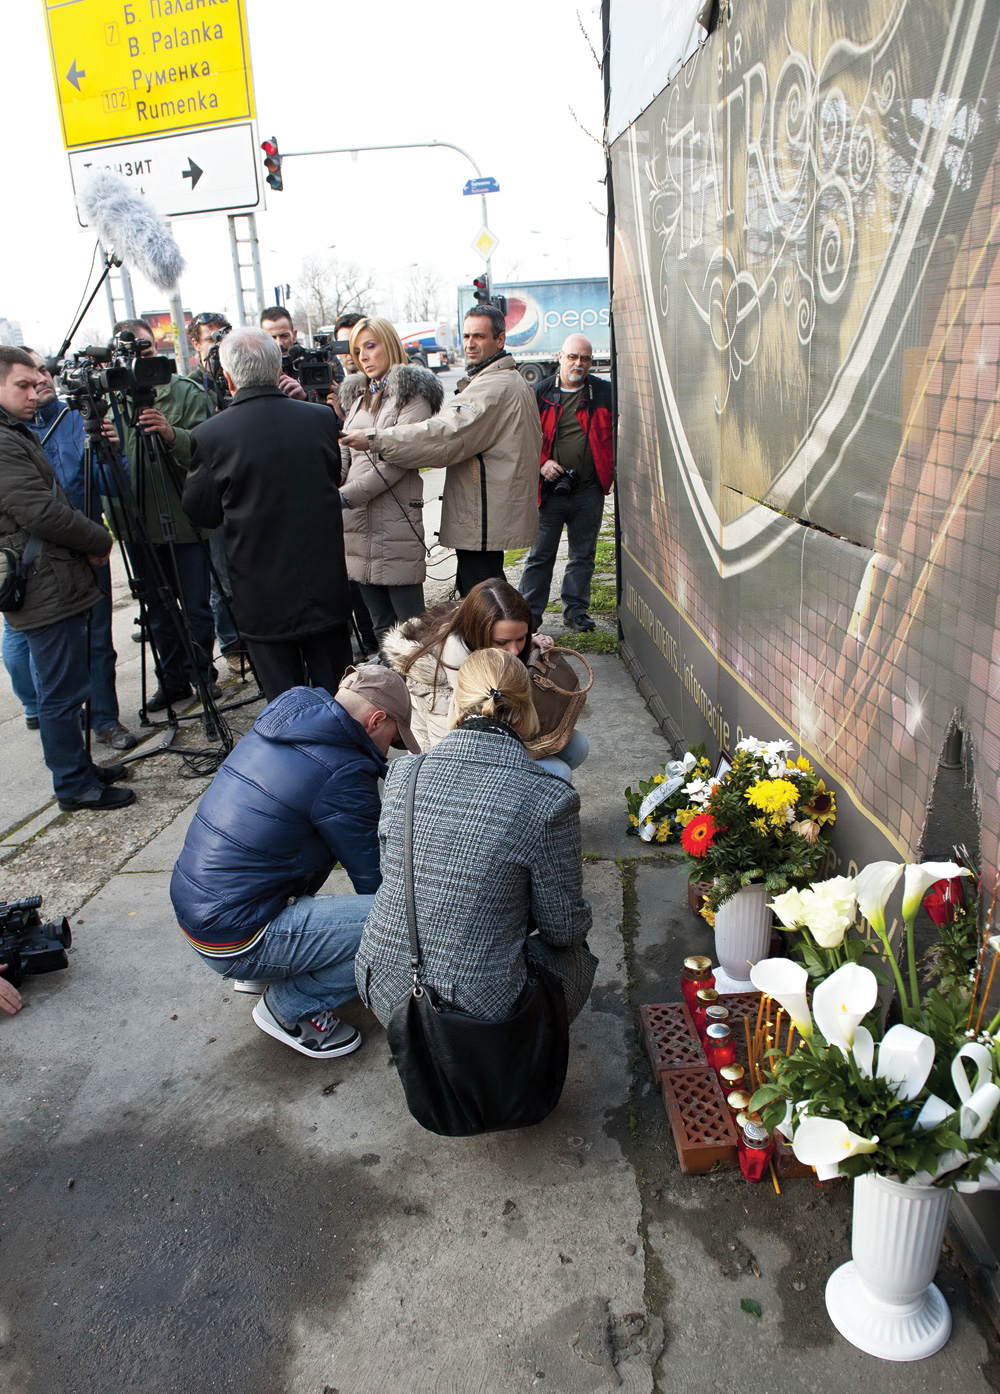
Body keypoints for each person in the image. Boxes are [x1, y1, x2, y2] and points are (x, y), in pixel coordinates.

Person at [170, 664, 420, 1058]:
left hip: (201, 911)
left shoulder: (289, 716)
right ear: (375, 721)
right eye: (393, 736)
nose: (389, 749)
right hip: (239, 935)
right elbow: (377, 880)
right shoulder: (343, 769)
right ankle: (287, 1006)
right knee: (406, 926)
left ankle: (270, 968)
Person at [355, 647, 597, 1034]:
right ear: (528, 709)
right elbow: (564, 929)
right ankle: (513, 1055)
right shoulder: (548, 797)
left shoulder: (403, 774)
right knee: (576, 956)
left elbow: (394, 874)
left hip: (382, 983)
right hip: (478, 1011)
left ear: (456, 702)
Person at [182, 327, 354, 703]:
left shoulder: (211, 435)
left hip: (262, 600)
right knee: (341, 700)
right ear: (278, 370)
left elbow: (201, 512)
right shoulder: (319, 418)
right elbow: (333, 476)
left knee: (285, 708)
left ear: (229, 378)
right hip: (324, 589)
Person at [0, 347, 135, 811]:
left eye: (36, 381)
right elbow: (39, 510)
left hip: (52, 575)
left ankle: (80, 769)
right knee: (58, 693)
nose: (33, 391)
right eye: (21, 385)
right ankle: (74, 786)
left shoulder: (13, 431)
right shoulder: (3, 441)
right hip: (42, 579)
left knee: (68, 685)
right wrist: (97, 538)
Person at [341, 303, 542, 597]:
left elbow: (442, 437)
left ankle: (508, 629)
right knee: (481, 597)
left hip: (483, 518)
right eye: (466, 336)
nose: (470, 344)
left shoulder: (493, 387)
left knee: (484, 600)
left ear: (500, 340)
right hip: (484, 516)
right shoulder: (495, 381)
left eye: (479, 336)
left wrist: (375, 439)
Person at [381, 576, 589, 782]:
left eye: (521, 638)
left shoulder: (477, 625)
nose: (514, 651)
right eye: (502, 642)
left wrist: (532, 642)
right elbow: (448, 754)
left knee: (577, 747)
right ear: (478, 633)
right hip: (455, 765)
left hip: (498, 735)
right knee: (559, 772)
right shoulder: (446, 676)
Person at [111, 318, 218, 711]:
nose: (138, 357)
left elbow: (209, 452)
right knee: (156, 611)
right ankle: (171, 682)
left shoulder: (184, 392)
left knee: (196, 608)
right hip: (137, 523)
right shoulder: (111, 398)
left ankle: (202, 675)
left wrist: (172, 434)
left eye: (144, 347)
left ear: (155, 347)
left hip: (184, 519)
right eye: (128, 351)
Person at [338, 317, 443, 644]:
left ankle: (423, 678)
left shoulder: (412, 397)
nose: (364, 357)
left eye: (371, 346)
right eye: (358, 351)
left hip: (394, 523)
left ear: (390, 344)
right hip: (357, 525)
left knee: (412, 628)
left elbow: (397, 462)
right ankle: (389, 678)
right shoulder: (358, 397)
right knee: (380, 625)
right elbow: (344, 453)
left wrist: (344, 496)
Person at [519, 334, 614, 633]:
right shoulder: (539, 393)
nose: (578, 363)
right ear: (560, 356)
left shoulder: (604, 393)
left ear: (591, 361)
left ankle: (575, 611)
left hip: (589, 489)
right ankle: (528, 617)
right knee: (540, 556)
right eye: (573, 356)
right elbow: (521, 438)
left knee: (583, 554)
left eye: (585, 358)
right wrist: (542, 463)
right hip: (549, 490)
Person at [184, 311, 246, 676]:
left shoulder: (239, 376)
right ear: (196, 344)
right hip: (215, 492)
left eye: (224, 337)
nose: (218, 345)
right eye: (211, 339)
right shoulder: (194, 387)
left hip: (246, 489)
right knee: (222, 578)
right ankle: (232, 644)